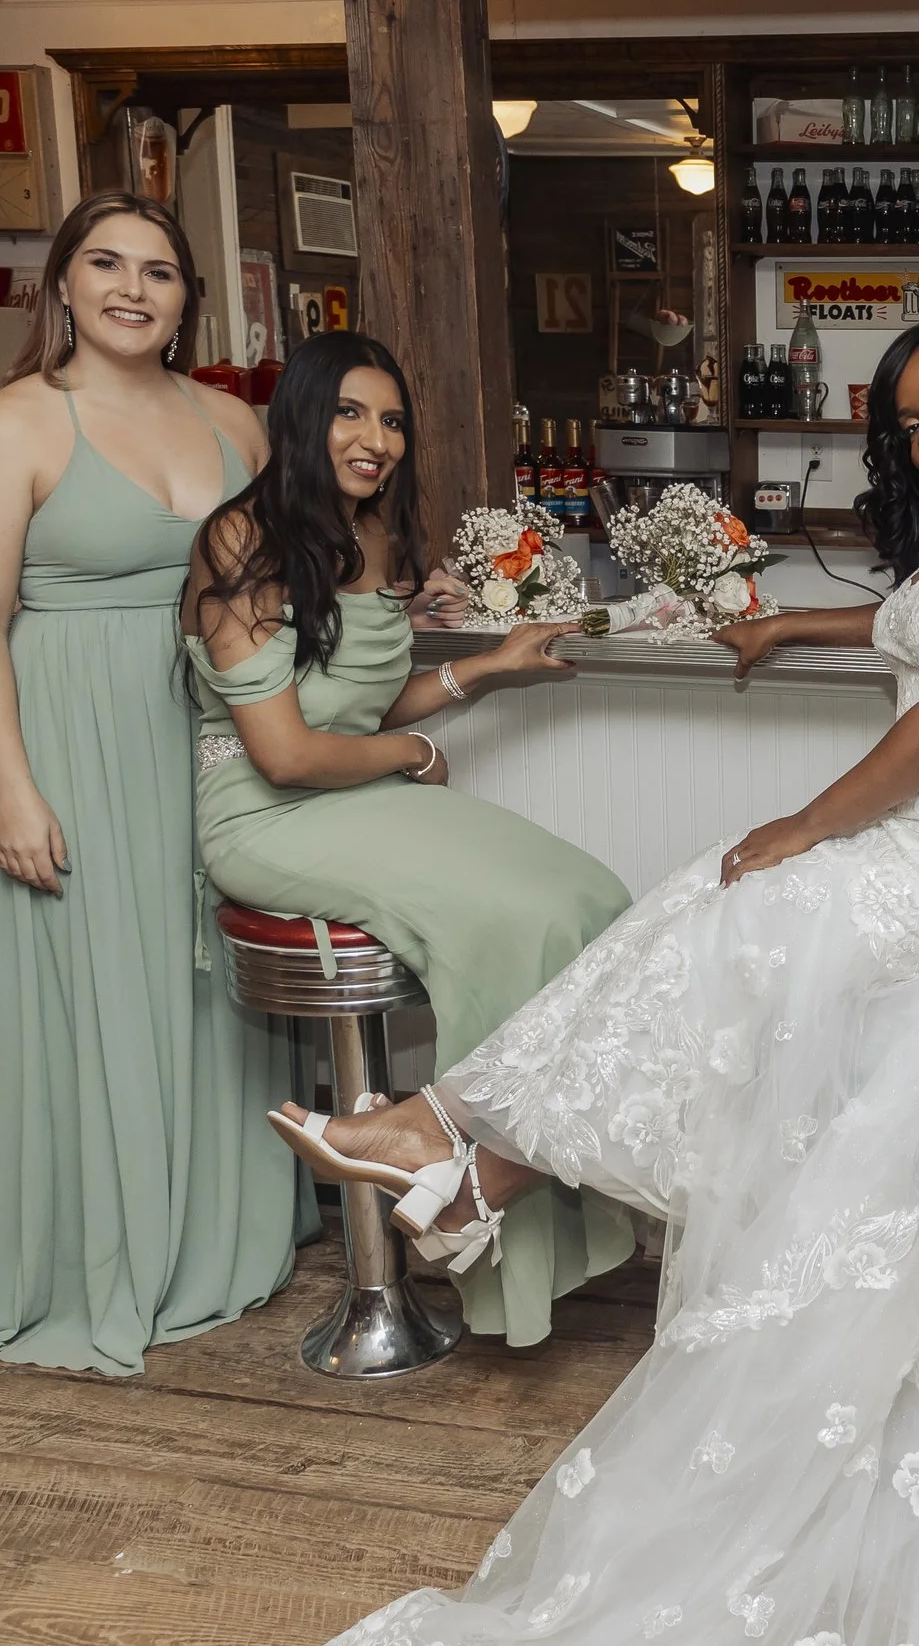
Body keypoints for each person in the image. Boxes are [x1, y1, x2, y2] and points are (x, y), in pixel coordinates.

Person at [271, 324, 919, 1645]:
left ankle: (470, 1143)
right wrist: (798, 618)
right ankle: (470, 1144)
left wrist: (810, 823)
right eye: (907, 418)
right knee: (716, 902)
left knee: (754, 895)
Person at [182, 330, 635, 1345]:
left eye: (390, 420)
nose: (375, 437)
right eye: (350, 412)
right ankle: (447, 1173)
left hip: (353, 797)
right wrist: (413, 761)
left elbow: (375, 704)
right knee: (514, 916)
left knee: (589, 897)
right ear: (300, 417)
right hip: (263, 815)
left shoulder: (376, 537)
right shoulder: (238, 543)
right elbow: (293, 755)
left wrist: (487, 668)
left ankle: (486, 1176)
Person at [0, 190, 305, 1375]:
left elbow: (293, 578)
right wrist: (11, 786)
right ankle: (101, 1251)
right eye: (105, 263)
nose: (132, 287)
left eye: (158, 269)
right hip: (76, 743)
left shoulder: (235, 424)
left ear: (191, 297)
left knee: (207, 986)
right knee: (95, 989)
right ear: (62, 284)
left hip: (207, 737)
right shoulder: (11, 425)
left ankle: (218, 1232)